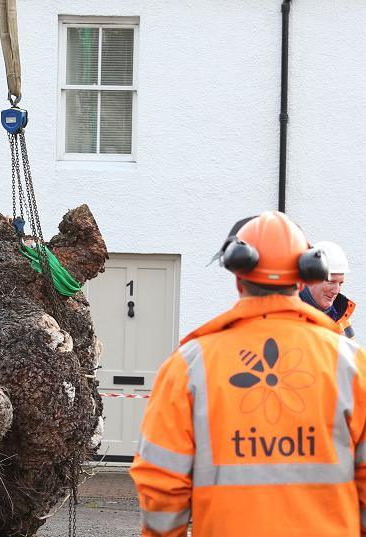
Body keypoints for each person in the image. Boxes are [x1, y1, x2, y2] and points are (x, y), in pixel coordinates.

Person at [130, 211, 366, 536]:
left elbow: (160, 483)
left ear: (238, 278)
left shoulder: (188, 366)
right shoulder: (352, 363)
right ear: (301, 279)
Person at [301, 240, 355, 338]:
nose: (336, 290)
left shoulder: (342, 318)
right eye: (331, 282)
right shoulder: (288, 316)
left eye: (340, 283)